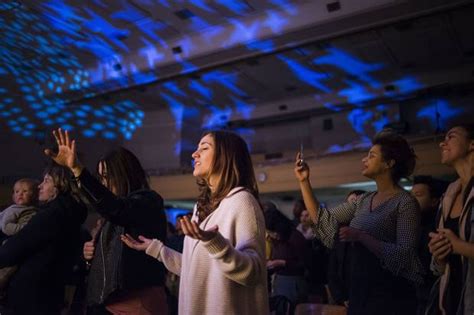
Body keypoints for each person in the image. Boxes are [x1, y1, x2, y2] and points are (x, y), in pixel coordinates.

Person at [122, 130, 269, 315]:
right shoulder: (201, 209)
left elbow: (253, 272)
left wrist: (214, 243)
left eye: (204, 148)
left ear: (225, 156)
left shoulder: (242, 201)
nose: (194, 154)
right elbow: (195, 270)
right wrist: (156, 249)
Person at [294, 129, 423, 315]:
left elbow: (405, 256)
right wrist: (304, 181)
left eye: (371, 155)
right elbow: (323, 220)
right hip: (360, 293)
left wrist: (362, 236)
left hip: (391, 298)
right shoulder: (364, 200)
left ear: (389, 163)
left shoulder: (405, 202)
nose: (364, 159)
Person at [47, 128, 168, 315]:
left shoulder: (147, 200)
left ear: (124, 174)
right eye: (100, 177)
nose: (103, 183)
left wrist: (78, 169)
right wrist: (90, 257)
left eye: (106, 176)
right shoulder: (110, 216)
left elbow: (117, 209)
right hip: (110, 302)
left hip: (136, 303)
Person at [0, 163, 87, 314]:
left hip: (29, 298)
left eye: (46, 181)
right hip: (49, 295)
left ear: (60, 185)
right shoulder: (72, 214)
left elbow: (15, 248)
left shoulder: (51, 215)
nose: (39, 186)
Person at [428, 124, 474, 315]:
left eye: (451, 137)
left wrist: (459, 246)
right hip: (451, 304)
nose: (442, 143)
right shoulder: (448, 195)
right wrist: (439, 255)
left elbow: (458, 247)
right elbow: (438, 269)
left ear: (472, 144)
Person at [411, 175, 446, 314]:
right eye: (410, 195)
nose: (411, 199)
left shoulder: (438, 230)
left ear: (434, 201)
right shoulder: (408, 227)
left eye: (418, 195)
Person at [326, 190, 365, 307]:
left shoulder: (375, 230)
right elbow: (332, 269)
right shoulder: (339, 232)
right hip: (345, 297)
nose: (353, 207)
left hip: (369, 296)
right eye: (350, 203)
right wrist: (341, 297)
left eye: (357, 202)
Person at [0, 178, 39, 294]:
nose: (20, 194)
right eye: (17, 191)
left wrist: (5, 227)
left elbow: (24, 230)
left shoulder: (30, 212)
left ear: (34, 195)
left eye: (25, 191)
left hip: (11, 248)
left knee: (5, 274)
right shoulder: (11, 208)